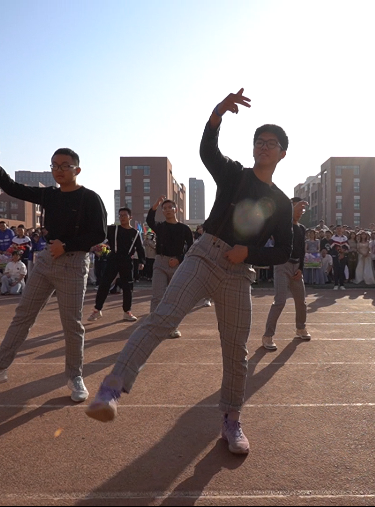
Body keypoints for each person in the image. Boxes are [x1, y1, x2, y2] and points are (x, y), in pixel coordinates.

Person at [85, 88, 293, 456]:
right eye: (259, 141)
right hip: (204, 255)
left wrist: (251, 252)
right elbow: (207, 151)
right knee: (162, 317)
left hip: (240, 272)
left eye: (271, 143)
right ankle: (111, 390)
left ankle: (231, 419)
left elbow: (286, 250)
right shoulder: (233, 174)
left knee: (236, 351)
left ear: (282, 153)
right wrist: (217, 115)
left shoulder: (280, 202)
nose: (264, 146)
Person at [0, 139, 107, 403]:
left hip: (73, 264)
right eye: (54, 165)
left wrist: (69, 245)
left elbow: (99, 233)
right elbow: (14, 188)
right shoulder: (49, 194)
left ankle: (75, 376)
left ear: (77, 170)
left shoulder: (90, 198)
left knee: (71, 325)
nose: (59, 170)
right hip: (47, 261)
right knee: (23, 315)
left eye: (65, 165)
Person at [262, 197, 311, 350]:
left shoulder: (302, 229)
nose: (300, 213)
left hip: (296, 267)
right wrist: (292, 208)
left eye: (302, 210)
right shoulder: (282, 225)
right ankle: (268, 336)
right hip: (282, 265)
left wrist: (301, 268)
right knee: (280, 301)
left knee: (301, 302)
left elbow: (302, 250)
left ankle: (300, 328)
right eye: (297, 209)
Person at [145, 196, 194, 338]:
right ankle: (154, 326)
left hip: (177, 265)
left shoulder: (184, 229)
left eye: (170, 208)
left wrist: (179, 259)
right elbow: (149, 221)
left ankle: (172, 327)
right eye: (164, 208)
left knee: (174, 298)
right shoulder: (160, 226)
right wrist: (155, 205)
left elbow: (190, 248)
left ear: (176, 210)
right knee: (157, 296)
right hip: (160, 263)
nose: (167, 210)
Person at [87, 207, 146, 322]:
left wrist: (142, 262)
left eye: (124, 215)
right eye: (120, 215)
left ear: (130, 217)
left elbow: (140, 248)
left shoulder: (135, 233)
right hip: (113, 259)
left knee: (128, 287)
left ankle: (127, 312)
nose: (122, 217)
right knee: (104, 284)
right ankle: (97, 310)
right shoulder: (113, 229)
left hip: (127, 261)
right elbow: (100, 230)